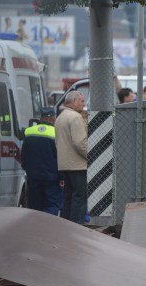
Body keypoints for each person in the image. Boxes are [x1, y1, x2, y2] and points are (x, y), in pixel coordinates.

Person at [21, 107, 63, 215]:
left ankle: (35, 228)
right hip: (51, 178)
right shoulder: (57, 133)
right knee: (52, 205)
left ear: (40, 118)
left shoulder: (29, 132)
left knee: (34, 206)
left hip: (33, 177)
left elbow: (24, 155)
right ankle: (47, 229)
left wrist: (27, 169)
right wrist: (62, 177)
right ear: (54, 119)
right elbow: (60, 157)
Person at [55, 91, 88, 224]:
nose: (83, 104)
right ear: (74, 102)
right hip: (78, 164)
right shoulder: (75, 117)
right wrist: (90, 157)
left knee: (68, 196)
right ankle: (76, 226)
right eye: (82, 101)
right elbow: (80, 142)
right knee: (79, 197)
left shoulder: (61, 117)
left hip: (64, 164)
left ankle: (65, 225)